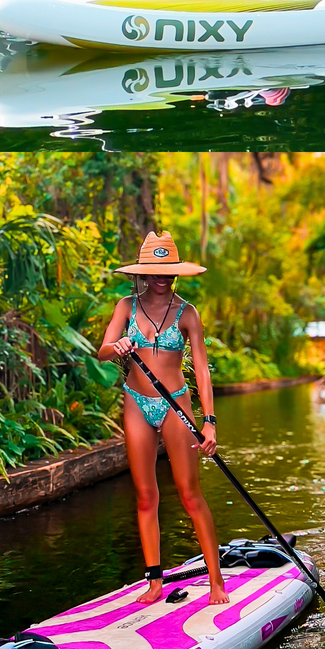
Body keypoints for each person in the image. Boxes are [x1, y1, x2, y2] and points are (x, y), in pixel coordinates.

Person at [97, 232, 228, 608]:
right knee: (145, 496)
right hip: (137, 402)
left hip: (176, 404)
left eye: (168, 271)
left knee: (189, 493)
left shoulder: (188, 312)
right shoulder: (126, 306)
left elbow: (201, 368)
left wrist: (210, 421)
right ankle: (155, 582)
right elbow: (103, 350)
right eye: (155, 271)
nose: (162, 278)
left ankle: (216, 580)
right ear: (142, 272)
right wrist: (117, 346)